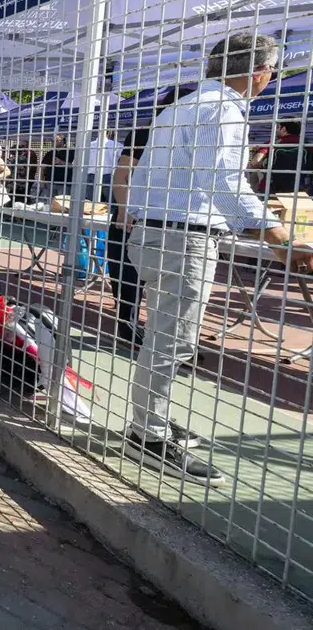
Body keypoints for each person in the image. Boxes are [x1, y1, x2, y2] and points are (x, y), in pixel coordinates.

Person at [125, 33, 312, 486]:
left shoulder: (180, 107)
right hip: (183, 238)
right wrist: (277, 235)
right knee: (173, 341)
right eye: (271, 72)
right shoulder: (223, 110)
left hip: (155, 232)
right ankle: (147, 434)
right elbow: (225, 182)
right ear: (259, 73)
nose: (270, 79)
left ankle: (150, 421)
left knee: (165, 337)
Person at [106, 85, 194, 349]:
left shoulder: (194, 136)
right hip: (138, 216)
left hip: (171, 219)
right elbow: (122, 175)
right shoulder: (147, 133)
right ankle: (130, 327)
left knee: (168, 283)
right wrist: (125, 209)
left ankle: (163, 337)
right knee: (128, 277)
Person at [83, 133, 121, 203]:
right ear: (109, 134)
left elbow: (77, 162)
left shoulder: (88, 145)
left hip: (91, 176)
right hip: (109, 176)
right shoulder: (116, 145)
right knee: (112, 203)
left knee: (92, 203)